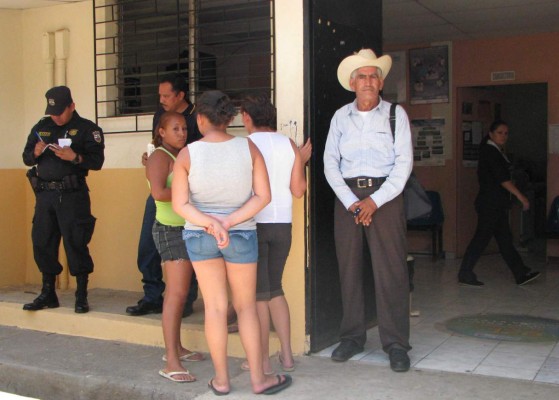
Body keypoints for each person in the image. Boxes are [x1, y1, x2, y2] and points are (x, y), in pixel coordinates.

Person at [172, 90, 292, 395]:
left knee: (214, 308)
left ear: (200, 119)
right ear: (229, 118)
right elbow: (263, 197)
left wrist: (211, 222)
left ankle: (222, 381)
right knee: (246, 307)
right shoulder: (247, 147)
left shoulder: (188, 154)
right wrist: (228, 221)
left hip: (201, 234)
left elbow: (180, 205)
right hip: (240, 233)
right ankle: (259, 379)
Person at [323, 49, 413, 372]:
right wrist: (352, 202)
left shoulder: (395, 115)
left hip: (385, 198)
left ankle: (396, 344)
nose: (368, 81)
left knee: (391, 271)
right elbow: (329, 163)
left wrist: (375, 200)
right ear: (352, 82)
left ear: (381, 81)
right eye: (362, 76)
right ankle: (352, 337)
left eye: (373, 75)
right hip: (348, 197)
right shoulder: (339, 118)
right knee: (349, 269)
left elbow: (403, 165)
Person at [239, 93, 311, 374]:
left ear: (247, 117)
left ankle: (262, 360)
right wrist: (300, 162)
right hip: (282, 225)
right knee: (275, 289)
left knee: (258, 295)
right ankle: (288, 356)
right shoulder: (288, 144)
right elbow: (298, 191)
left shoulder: (244, 145)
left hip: (253, 224)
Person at [22, 86, 105, 314]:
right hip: (45, 195)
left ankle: (81, 294)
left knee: (76, 242)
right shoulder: (42, 127)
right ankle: (48, 292)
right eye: (52, 112)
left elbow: (97, 161)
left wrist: (75, 157)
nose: (56, 116)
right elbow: (26, 157)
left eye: (60, 111)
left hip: (72, 196)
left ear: (72, 106)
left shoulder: (88, 129)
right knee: (42, 241)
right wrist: (35, 153)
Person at [126, 73, 201, 317]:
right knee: (147, 246)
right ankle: (152, 296)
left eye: (166, 95)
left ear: (181, 95)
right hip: (165, 197)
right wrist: (152, 159)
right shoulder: (161, 115)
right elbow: (158, 147)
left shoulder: (197, 118)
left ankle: (185, 301)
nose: (161, 100)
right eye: (159, 95)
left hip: (190, 199)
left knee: (189, 253)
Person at [147, 111, 204, 383]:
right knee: (176, 293)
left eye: (183, 128)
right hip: (171, 231)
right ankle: (170, 360)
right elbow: (158, 192)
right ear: (161, 131)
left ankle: (177, 348)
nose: (181, 133)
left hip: (187, 228)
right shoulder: (160, 156)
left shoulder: (180, 155)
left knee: (181, 294)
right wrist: (191, 194)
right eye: (175, 129)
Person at [458, 120, 540, 287]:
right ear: (491, 133)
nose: (503, 136)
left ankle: (521, 273)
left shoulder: (495, 151)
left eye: (506, 133)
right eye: (500, 133)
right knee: (482, 239)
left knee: (504, 240)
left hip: (495, 204)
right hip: (490, 204)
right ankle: (465, 272)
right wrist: (521, 197)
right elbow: (503, 179)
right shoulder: (490, 151)